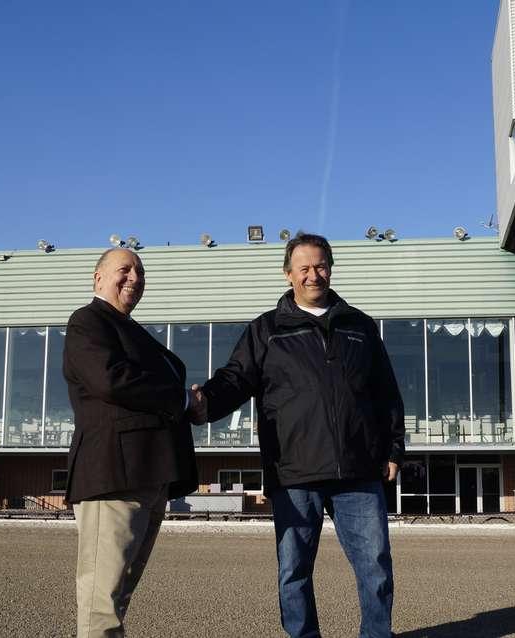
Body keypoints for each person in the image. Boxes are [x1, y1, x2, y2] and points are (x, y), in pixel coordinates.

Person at [194, 232, 404, 638]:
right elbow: (235, 379)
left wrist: (394, 447)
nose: (313, 275)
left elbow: (386, 394)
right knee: (294, 573)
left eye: (321, 265)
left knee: (376, 566)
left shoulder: (360, 326)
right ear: (287, 273)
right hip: (294, 472)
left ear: (331, 267)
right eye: (304, 267)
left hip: (359, 470)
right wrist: (207, 403)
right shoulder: (266, 330)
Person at [63, 247, 200, 637]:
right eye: (124, 270)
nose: (135, 278)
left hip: (149, 474)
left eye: (140, 272)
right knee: (101, 600)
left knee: (118, 594)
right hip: (115, 475)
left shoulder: (132, 331)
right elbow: (110, 379)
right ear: (98, 278)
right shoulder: (87, 322)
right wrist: (185, 399)